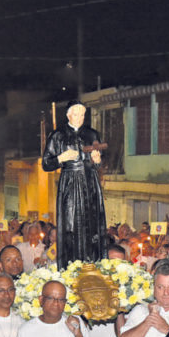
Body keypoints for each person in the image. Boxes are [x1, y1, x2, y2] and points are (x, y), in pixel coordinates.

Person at [41, 101, 107, 266]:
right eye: (76, 114)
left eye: (83, 114)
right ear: (69, 115)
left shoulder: (92, 134)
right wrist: (62, 158)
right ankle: (70, 265)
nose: (80, 118)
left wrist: (97, 160)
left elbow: (97, 162)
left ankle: (92, 264)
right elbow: (46, 164)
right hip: (70, 183)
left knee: (91, 224)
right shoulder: (57, 136)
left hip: (90, 182)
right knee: (70, 225)